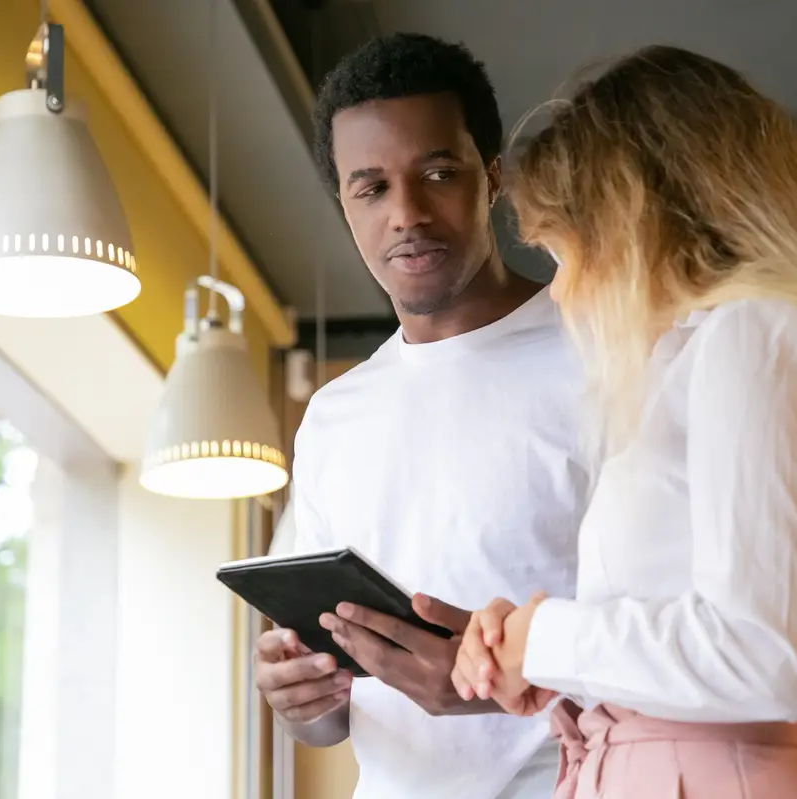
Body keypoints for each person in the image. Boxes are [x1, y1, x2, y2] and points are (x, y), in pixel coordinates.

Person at [451, 45, 797, 798]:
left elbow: (762, 654)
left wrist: (546, 638)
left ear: (634, 223)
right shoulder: (746, 346)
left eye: (562, 254)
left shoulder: (756, 336)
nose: (561, 292)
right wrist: (544, 656)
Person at [252, 33, 599, 799]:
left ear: (493, 176)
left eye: (438, 174)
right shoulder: (334, 417)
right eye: (371, 189)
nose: (406, 213)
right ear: (345, 206)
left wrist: (500, 673)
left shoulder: (606, 355)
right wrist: (302, 697)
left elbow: (686, 634)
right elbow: (330, 713)